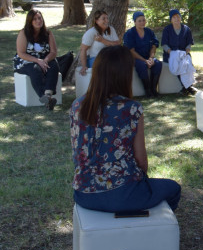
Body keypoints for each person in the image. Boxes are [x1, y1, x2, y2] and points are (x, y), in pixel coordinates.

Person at [71, 46, 181, 214]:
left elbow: (77, 151)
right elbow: (141, 160)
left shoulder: (77, 105)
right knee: (173, 188)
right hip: (123, 193)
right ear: (125, 73)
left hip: (83, 193)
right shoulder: (131, 109)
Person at [13, 9, 60, 110]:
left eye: (39, 18)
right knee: (35, 69)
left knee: (54, 66)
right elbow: (21, 53)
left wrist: (45, 60)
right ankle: (43, 96)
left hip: (44, 59)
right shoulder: (23, 33)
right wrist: (38, 61)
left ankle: (47, 96)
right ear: (30, 21)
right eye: (34, 19)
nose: (38, 21)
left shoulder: (48, 33)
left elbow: (53, 52)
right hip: (26, 60)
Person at [123, 10, 161, 97]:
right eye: (139, 21)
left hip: (148, 57)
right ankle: (147, 90)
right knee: (142, 65)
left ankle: (154, 89)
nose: (142, 22)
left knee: (158, 64)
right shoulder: (129, 33)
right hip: (134, 58)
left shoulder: (149, 32)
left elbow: (154, 46)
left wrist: (151, 58)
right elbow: (131, 51)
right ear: (135, 22)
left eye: (143, 20)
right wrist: (145, 60)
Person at [161, 8, 196, 95]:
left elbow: (189, 44)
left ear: (180, 17)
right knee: (178, 64)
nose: (176, 19)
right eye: (174, 17)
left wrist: (185, 53)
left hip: (184, 53)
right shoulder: (167, 29)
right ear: (171, 20)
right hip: (170, 54)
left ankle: (186, 87)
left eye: (178, 17)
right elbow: (164, 45)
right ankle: (188, 87)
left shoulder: (186, 29)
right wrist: (172, 53)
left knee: (187, 63)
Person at [78, 9, 120, 75]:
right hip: (96, 59)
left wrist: (103, 40)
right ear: (97, 21)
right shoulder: (91, 32)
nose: (107, 21)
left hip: (110, 58)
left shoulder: (111, 29)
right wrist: (84, 66)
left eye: (107, 18)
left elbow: (117, 45)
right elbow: (83, 50)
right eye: (103, 19)